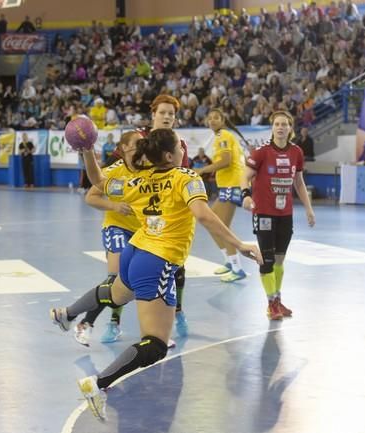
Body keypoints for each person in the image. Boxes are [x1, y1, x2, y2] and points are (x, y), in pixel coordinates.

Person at [52, 129, 262, 420]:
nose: (183, 148)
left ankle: (68, 313)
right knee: (156, 343)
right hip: (158, 261)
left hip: (133, 252)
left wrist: (87, 150)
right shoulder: (185, 178)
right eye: (179, 145)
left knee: (116, 294)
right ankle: (97, 385)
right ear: (168, 155)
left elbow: (98, 182)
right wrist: (239, 244)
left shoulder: (139, 178)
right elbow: (202, 215)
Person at [75, 95, 193, 341]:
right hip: (135, 221)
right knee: (121, 280)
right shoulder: (139, 141)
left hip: (163, 223)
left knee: (174, 272)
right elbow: (107, 181)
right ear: (153, 115)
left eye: (171, 113)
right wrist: (116, 201)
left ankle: (172, 316)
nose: (167, 117)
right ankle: (106, 321)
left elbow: (181, 178)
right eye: (163, 112)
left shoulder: (178, 144)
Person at [240, 111, 315, 320]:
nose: (280, 127)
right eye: (277, 124)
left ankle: (277, 301)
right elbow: (245, 176)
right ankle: (271, 303)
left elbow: (298, 182)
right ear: (272, 128)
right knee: (267, 260)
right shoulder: (262, 152)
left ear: (290, 128)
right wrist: (245, 195)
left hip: (285, 213)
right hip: (264, 212)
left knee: (280, 261)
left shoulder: (296, 152)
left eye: (284, 124)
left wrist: (309, 209)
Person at [72, 131, 141, 346]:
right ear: (124, 148)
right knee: (116, 278)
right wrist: (114, 206)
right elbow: (91, 196)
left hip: (142, 233)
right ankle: (85, 322)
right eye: (137, 143)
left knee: (130, 284)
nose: (142, 147)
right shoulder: (113, 172)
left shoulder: (150, 170)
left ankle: (144, 330)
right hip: (117, 227)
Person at [195, 108, 248, 282]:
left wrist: (203, 169)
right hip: (227, 185)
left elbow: (225, 162)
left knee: (222, 227)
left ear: (222, 120)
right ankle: (228, 261)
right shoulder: (220, 137)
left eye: (216, 118)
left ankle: (237, 268)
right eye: (209, 118)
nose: (212, 120)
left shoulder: (224, 135)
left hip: (232, 185)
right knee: (209, 222)